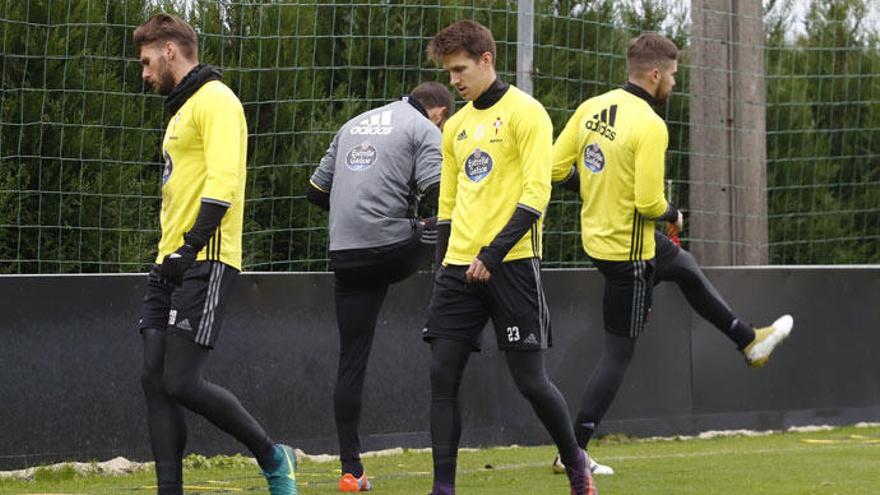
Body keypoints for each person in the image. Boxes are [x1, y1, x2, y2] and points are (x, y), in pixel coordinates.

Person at [549, 32, 793, 475]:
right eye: (675, 76)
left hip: (601, 240)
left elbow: (552, 167)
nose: (675, 84)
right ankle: (572, 453)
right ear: (656, 74)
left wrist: (595, 188)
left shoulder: (591, 107)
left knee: (682, 265)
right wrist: (675, 213)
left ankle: (748, 341)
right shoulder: (649, 124)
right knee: (618, 354)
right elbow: (647, 204)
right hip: (630, 252)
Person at [422, 19, 597, 495]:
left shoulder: (528, 113)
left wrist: (493, 254)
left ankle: (575, 464)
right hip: (458, 268)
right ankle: (443, 488)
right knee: (442, 377)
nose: (454, 80)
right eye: (448, 72)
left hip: (513, 264)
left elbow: (537, 194)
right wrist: (443, 266)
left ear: (486, 60)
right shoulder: (454, 126)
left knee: (531, 381)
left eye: (460, 69)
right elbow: (447, 206)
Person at [133, 13, 297, 495]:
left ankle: (272, 455)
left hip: (204, 258)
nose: (143, 74)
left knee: (181, 380)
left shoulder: (218, 100)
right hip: (169, 261)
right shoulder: (180, 110)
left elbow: (223, 184)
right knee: (152, 377)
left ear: (170, 50)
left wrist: (189, 247)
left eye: (146, 62)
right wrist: (169, 254)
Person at [306, 81, 454, 492]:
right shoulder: (423, 129)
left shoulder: (352, 124)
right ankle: (454, 299)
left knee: (351, 359)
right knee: (446, 230)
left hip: (346, 253)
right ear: (440, 114)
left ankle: (352, 470)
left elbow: (315, 192)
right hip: (392, 248)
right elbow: (444, 197)